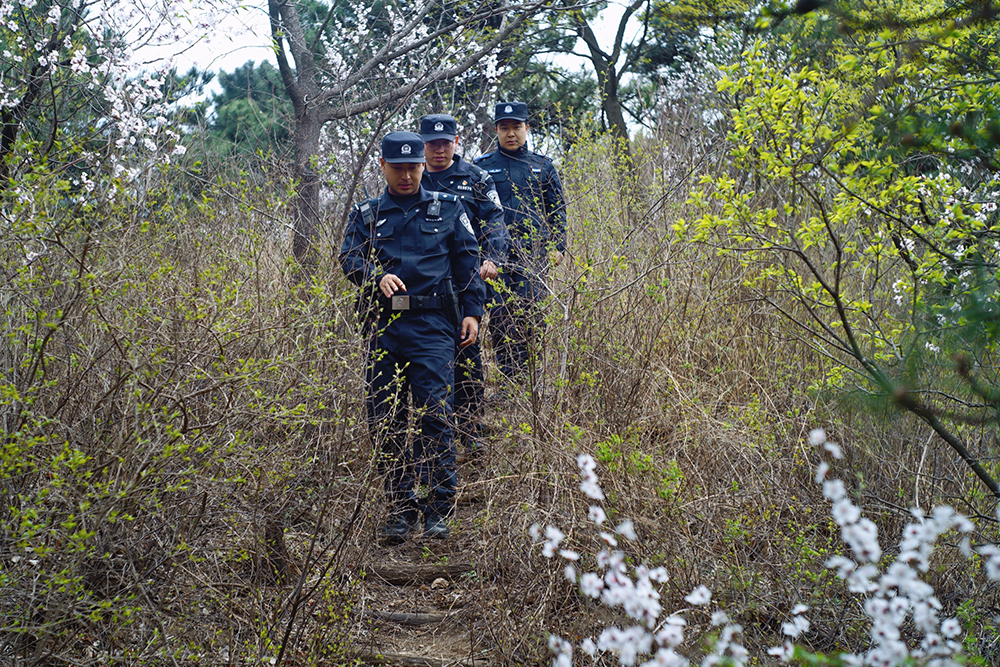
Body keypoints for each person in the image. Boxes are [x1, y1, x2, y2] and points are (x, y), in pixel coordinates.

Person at [340, 131, 485, 543]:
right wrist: (375, 276)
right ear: (383, 167)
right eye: (398, 168)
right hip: (384, 327)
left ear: (423, 166)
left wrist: (473, 312)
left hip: (433, 326)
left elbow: (467, 262)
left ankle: (438, 509)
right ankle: (401, 508)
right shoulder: (367, 214)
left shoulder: (449, 207)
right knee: (385, 418)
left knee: (435, 415)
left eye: (413, 168)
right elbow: (349, 257)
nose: (406, 176)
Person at [419, 113, 509, 452]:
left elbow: (495, 220)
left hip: (464, 278)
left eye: (445, 143)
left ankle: (470, 429)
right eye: (432, 144)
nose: (439, 150)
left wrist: (493, 259)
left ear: (456, 142)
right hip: (423, 282)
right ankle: (431, 432)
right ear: (422, 144)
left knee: (466, 353)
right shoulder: (411, 176)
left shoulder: (475, 178)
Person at [473, 101, 566, 386]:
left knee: (531, 315)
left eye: (516, 127)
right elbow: (475, 213)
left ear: (527, 128)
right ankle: (509, 382)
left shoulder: (543, 166)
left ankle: (531, 384)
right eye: (504, 128)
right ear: (496, 130)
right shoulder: (482, 168)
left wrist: (558, 246)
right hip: (496, 257)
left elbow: (557, 209)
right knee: (500, 317)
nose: (511, 133)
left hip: (533, 255)